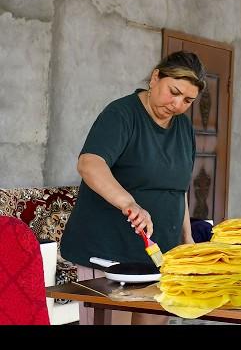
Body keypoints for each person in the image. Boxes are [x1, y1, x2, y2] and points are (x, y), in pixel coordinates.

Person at [60, 51, 206, 325]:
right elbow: (90, 164)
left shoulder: (183, 128)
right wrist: (130, 203)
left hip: (159, 257)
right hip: (110, 256)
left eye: (188, 100)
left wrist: (187, 241)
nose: (177, 105)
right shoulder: (121, 114)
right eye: (173, 92)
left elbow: (177, 191)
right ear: (155, 77)